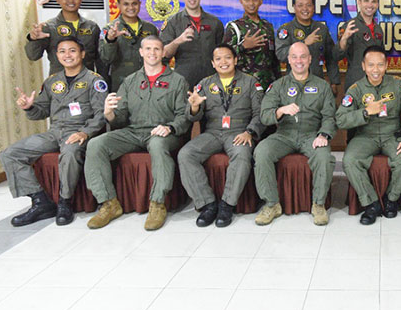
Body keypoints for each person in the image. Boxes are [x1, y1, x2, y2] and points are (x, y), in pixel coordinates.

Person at [85, 36, 190, 231]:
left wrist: (170, 127)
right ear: (141, 52)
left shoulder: (177, 81)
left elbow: (183, 116)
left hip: (163, 133)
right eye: (148, 49)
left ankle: (158, 204)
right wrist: (109, 114)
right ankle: (109, 203)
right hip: (133, 132)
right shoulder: (130, 81)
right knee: (96, 145)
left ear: (163, 53)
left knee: (158, 144)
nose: (152, 53)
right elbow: (121, 117)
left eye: (157, 49)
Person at [0, 38, 107, 226]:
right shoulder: (52, 82)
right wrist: (29, 106)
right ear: (57, 55)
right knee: (10, 154)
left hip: (78, 131)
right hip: (54, 132)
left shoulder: (94, 80)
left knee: (70, 152)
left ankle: (65, 202)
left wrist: (85, 133)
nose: (67, 55)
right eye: (62, 51)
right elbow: (40, 112)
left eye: (72, 51)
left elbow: (101, 114)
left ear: (82, 54)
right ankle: (40, 200)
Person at [178, 44, 265, 228]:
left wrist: (249, 132)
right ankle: (207, 204)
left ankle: (227, 205)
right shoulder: (204, 84)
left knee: (241, 155)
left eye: (227, 58)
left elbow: (261, 114)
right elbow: (194, 115)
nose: (223, 62)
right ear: (213, 63)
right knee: (186, 154)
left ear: (235, 60)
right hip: (212, 132)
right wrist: (194, 106)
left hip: (238, 132)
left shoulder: (250, 82)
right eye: (218, 59)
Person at [253, 42, 336, 226]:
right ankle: (272, 204)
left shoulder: (322, 86)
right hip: (284, 134)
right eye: (295, 57)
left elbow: (330, 117)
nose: (299, 61)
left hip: (311, 134)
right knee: (262, 151)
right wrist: (281, 110)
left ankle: (318, 204)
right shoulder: (278, 85)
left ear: (310, 59)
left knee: (323, 156)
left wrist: (323, 135)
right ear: (288, 60)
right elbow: (265, 116)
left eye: (303, 56)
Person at [336, 46, 401, 224]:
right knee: (350, 160)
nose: (375, 70)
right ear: (363, 66)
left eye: (380, 65)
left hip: (392, 134)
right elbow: (341, 119)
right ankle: (371, 203)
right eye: (371, 65)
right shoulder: (356, 89)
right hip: (366, 135)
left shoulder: (398, 84)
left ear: (386, 65)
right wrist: (365, 113)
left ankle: (391, 199)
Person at [160, 0, 225, 87]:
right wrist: (178, 41)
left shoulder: (215, 22)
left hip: (211, 81)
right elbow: (163, 54)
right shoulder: (173, 22)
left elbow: (222, 53)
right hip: (183, 82)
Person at [25, 0, 100, 74]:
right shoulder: (48, 27)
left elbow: (100, 59)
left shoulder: (92, 27)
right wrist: (33, 40)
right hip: (59, 84)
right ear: (58, 0)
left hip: (87, 82)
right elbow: (33, 56)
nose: (71, 0)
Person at [275, 0, 340, 93]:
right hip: (293, 85)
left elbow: (330, 57)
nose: (305, 9)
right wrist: (304, 43)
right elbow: (281, 54)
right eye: (300, 5)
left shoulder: (321, 29)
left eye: (308, 5)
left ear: (313, 7)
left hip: (317, 82)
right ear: (294, 7)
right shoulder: (286, 30)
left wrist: (334, 81)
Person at [99, 0, 159, 91]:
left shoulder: (150, 28)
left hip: (148, 84)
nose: (131, 7)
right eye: (126, 4)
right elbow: (106, 59)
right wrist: (110, 40)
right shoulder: (110, 29)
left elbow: (158, 57)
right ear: (118, 5)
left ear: (140, 4)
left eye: (134, 3)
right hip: (121, 84)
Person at [224, 0, 281, 90]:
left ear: (260, 1)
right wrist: (243, 46)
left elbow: (274, 58)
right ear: (241, 1)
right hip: (244, 86)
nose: (251, 3)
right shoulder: (235, 27)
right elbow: (225, 57)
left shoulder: (268, 26)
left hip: (268, 85)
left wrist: (278, 81)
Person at [339, 0, 386, 89]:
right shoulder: (350, 26)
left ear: (377, 5)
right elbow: (336, 55)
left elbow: (382, 57)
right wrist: (344, 39)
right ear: (359, 3)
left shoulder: (378, 29)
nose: (370, 5)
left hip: (376, 82)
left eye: (373, 2)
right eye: (366, 1)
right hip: (356, 83)